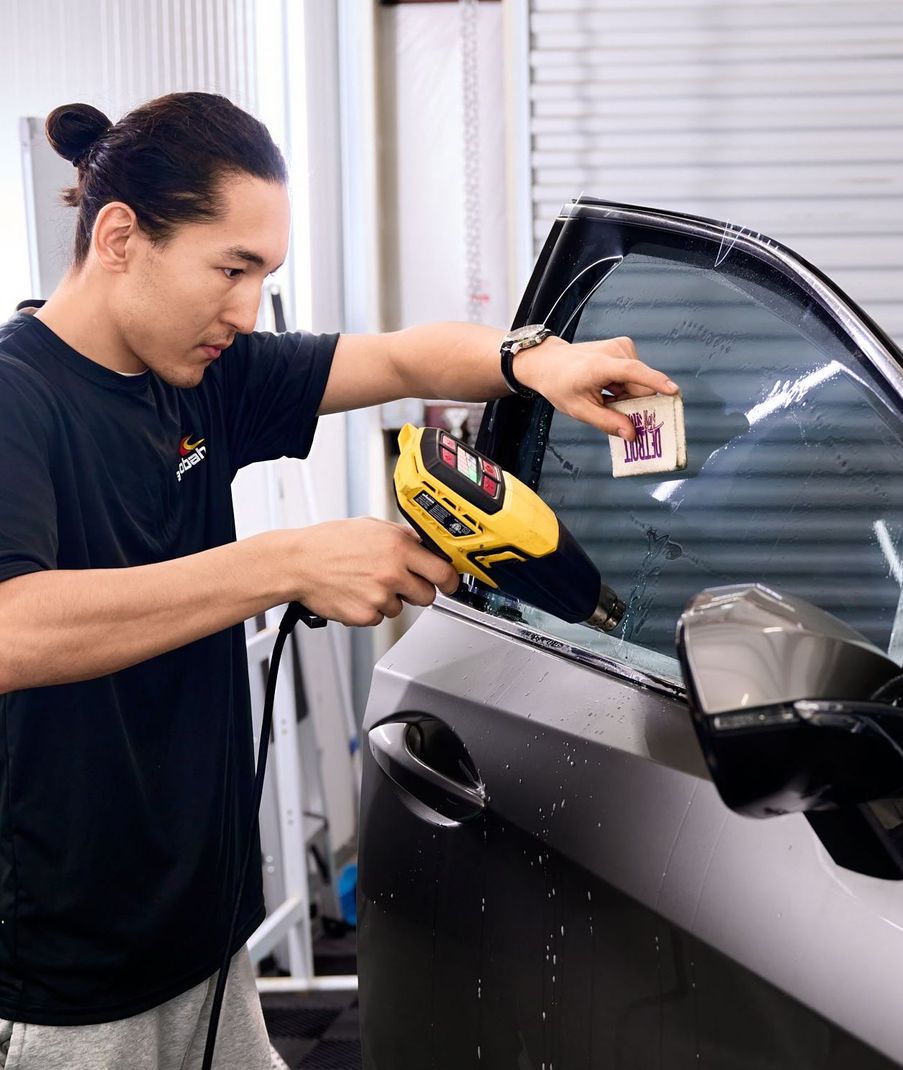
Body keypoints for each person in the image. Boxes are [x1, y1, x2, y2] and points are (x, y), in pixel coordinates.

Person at [0, 92, 678, 1068]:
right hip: (70, 980)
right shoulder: (18, 398)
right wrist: (285, 561)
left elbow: (399, 356)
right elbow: (12, 630)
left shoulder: (201, 375)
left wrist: (536, 360)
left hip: (200, 932)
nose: (245, 309)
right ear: (118, 237)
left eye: (262, 275)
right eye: (230, 270)